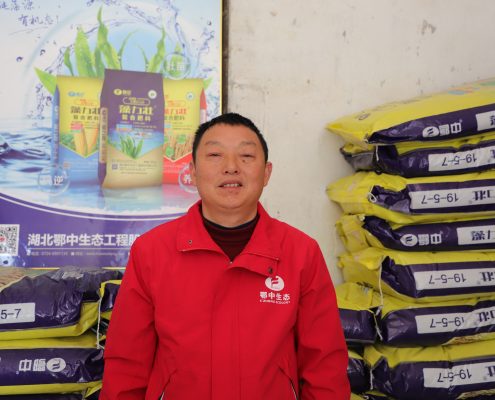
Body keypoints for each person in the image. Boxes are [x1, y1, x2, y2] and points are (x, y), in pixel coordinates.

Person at [100, 112, 350, 400]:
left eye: (246, 156)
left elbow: (325, 365)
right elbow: (126, 364)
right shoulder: (151, 251)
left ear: (266, 173)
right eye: (215, 155)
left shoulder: (300, 252)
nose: (231, 167)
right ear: (193, 172)